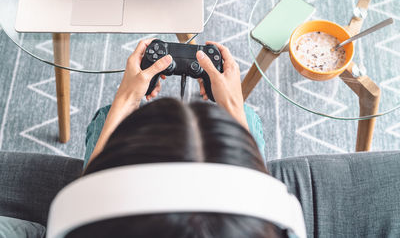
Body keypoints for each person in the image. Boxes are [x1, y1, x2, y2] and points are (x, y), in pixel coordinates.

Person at [46, 40, 306, 238]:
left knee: (107, 119)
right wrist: (235, 107)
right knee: (248, 117)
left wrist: (124, 101)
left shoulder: (83, 218)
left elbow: (86, 194)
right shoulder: (276, 219)